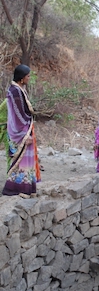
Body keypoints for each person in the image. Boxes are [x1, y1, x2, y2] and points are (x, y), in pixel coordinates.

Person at [2, 64, 40, 198]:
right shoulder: (15, 92)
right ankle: (16, 189)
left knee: (25, 161)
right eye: (28, 76)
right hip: (20, 132)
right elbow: (18, 116)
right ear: (22, 78)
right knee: (20, 161)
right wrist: (25, 134)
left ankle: (26, 188)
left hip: (25, 130)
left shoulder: (18, 89)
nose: (29, 78)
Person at [0, 98, 11, 171]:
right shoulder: (7, 101)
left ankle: (9, 172)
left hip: (7, 129)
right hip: (2, 127)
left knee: (9, 151)